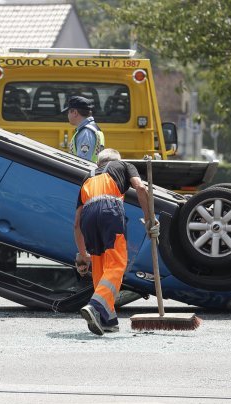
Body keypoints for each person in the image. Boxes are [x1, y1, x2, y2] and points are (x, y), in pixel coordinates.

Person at [73, 148, 158, 335]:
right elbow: (141, 188)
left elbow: (77, 223)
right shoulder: (125, 165)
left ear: (99, 164)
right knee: (117, 264)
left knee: (100, 266)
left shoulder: (88, 177)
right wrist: (149, 219)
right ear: (116, 160)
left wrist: (82, 254)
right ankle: (96, 304)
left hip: (88, 216)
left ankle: (107, 319)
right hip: (109, 211)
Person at [63, 95, 105, 163]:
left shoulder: (86, 132)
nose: (67, 115)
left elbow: (82, 163)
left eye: (68, 112)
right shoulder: (93, 128)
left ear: (75, 113)